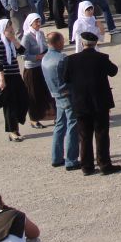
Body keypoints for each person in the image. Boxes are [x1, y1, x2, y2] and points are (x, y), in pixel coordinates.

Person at [63, 30, 121, 175]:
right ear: (95, 44)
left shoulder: (71, 60)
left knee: (84, 135)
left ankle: (87, 167)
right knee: (101, 133)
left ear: (82, 44)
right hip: (100, 102)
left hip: (81, 102)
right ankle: (104, 164)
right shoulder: (102, 58)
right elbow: (113, 71)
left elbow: (66, 79)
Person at [41, 30, 81, 171]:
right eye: (62, 41)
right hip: (67, 95)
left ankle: (57, 157)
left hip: (56, 94)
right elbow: (71, 78)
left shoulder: (45, 58)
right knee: (72, 126)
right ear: (57, 42)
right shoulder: (62, 58)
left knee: (59, 125)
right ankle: (71, 160)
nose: (63, 43)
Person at [0, 22, 28, 142]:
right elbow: (0, 63)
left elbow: (23, 51)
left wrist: (14, 39)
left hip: (16, 75)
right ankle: (12, 131)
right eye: (8, 28)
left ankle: (16, 126)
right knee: (10, 105)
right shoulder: (0, 44)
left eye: (11, 27)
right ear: (3, 30)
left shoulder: (11, 43)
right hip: (6, 77)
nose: (11, 29)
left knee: (23, 99)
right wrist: (2, 80)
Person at [21, 14, 55, 130]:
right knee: (34, 94)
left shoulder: (40, 34)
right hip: (31, 69)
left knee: (47, 91)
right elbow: (24, 56)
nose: (39, 24)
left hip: (42, 67)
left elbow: (44, 47)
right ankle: (34, 119)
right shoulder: (26, 37)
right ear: (30, 23)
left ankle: (51, 115)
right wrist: (38, 57)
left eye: (39, 22)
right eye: (36, 22)